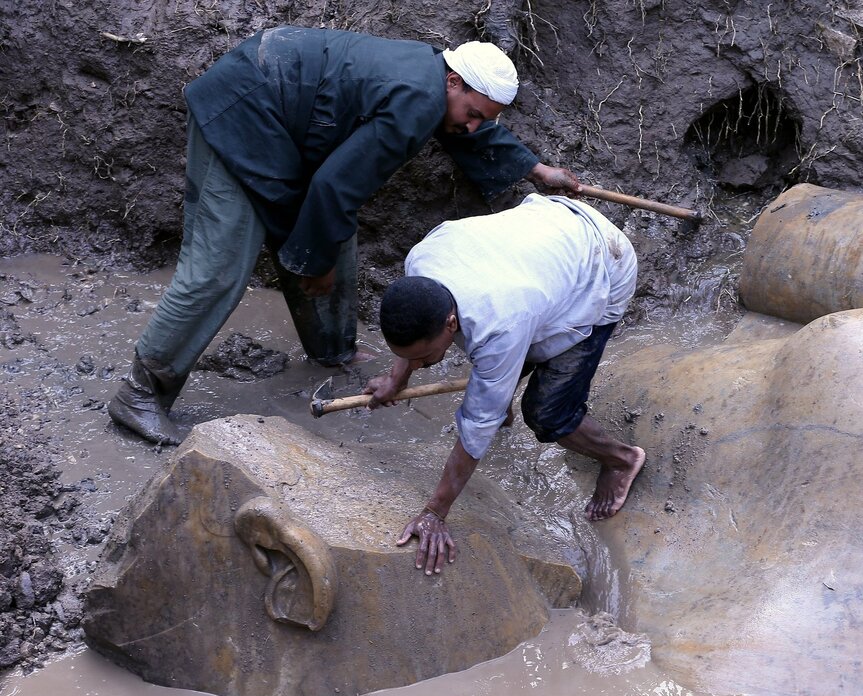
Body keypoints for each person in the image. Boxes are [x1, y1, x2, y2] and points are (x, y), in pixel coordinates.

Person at [109, 26, 581, 445]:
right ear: (453, 82)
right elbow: (335, 186)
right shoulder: (419, 100)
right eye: (474, 112)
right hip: (241, 112)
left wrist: (536, 170)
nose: (473, 126)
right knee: (218, 268)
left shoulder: (433, 76)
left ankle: (333, 351)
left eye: (485, 119)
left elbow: (463, 130)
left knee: (330, 233)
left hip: (282, 121)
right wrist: (318, 262)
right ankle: (140, 395)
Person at [368, 193, 646, 576]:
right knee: (497, 367)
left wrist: (435, 511)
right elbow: (416, 323)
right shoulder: (420, 264)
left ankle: (621, 459)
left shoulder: (500, 322)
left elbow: (476, 424)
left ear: (451, 323)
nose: (418, 365)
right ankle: (501, 396)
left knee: (547, 414)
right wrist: (396, 375)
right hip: (545, 236)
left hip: (602, 263)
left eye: (423, 357)